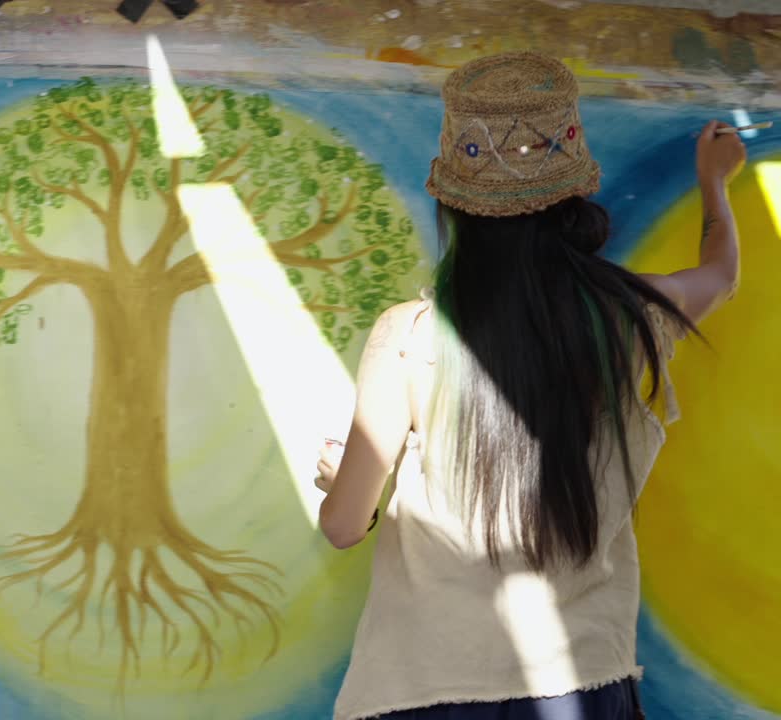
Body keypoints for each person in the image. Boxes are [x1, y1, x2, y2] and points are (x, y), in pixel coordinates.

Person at [313, 52, 745, 720]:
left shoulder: (409, 335)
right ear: (572, 200)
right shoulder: (629, 316)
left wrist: (343, 481)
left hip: (429, 692)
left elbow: (344, 526)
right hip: (583, 687)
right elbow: (720, 274)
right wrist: (715, 184)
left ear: (454, 203)